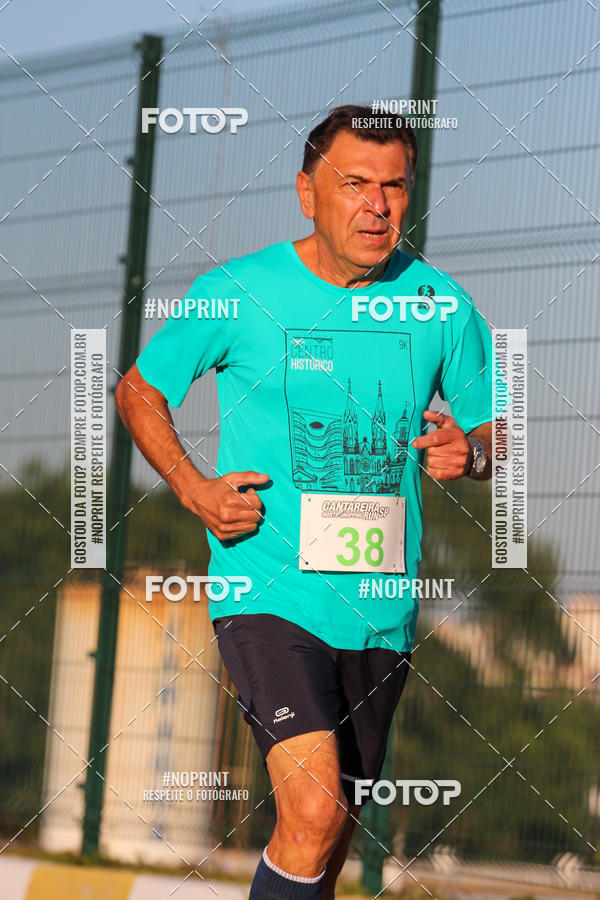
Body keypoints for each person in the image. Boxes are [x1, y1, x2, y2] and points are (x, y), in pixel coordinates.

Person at [116, 104, 493, 899]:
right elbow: (140, 390)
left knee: (321, 845)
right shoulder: (240, 291)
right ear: (305, 191)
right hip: (267, 591)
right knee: (317, 807)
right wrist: (195, 489)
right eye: (355, 183)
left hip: (380, 608)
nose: (377, 205)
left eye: (394, 186)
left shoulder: (442, 306)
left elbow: (498, 427)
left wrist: (479, 451)